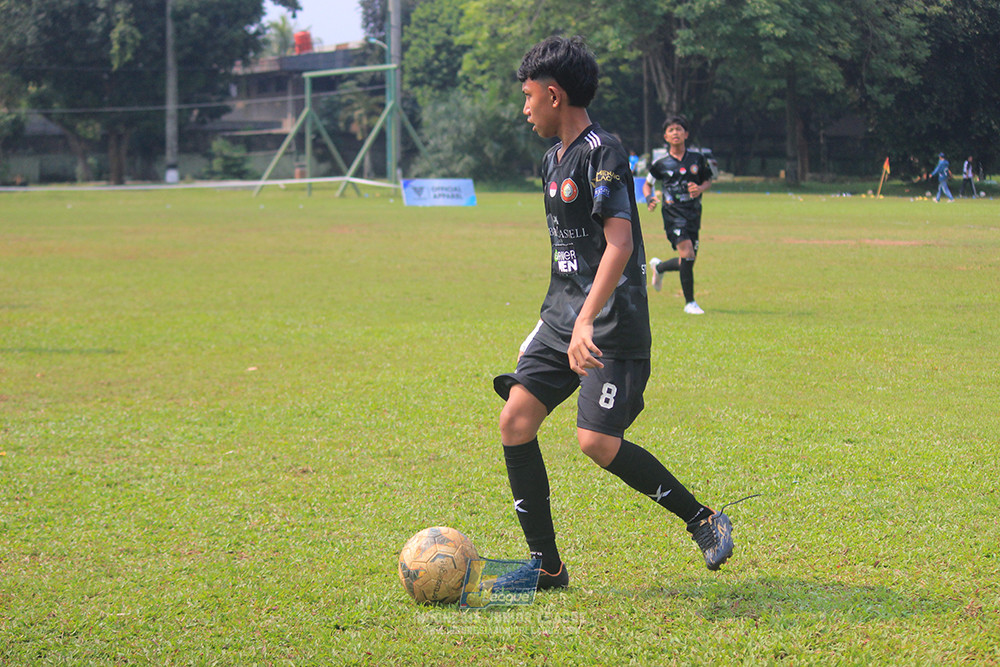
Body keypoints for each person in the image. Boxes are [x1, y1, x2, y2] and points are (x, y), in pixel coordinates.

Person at [494, 36, 736, 591]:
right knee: (515, 420)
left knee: (596, 442)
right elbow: (567, 256)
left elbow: (620, 245)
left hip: (610, 325)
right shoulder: (551, 158)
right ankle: (547, 568)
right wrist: (548, 322)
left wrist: (584, 322)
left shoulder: (604, 151)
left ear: (554, 95)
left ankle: (703, 519)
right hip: (564, 319)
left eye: (529, 96)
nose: (524, 107)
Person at [643, 116, 713, 314]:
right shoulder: (660, 163)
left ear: (686, 134)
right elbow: (647, 184)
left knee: (688, 260)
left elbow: (708, 181)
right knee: (687, 253)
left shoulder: (697, 159)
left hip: (693, 213)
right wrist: (649, 199)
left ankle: (660, 267)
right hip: (673, 214)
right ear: (665, 136)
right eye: (671, 130)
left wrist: (699, 188)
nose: (675, 133)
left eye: (679, 129)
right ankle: (690, 303)